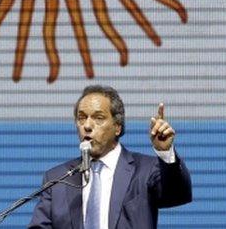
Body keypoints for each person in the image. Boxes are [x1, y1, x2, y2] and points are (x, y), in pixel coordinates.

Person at [28, 85, 192, 229]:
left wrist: (165, 152)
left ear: (117, 127)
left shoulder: (145, 170)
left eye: (98, 118)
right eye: (82, 117)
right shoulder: (57, 179)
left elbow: (177, 194)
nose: (87, 126)